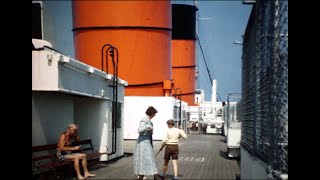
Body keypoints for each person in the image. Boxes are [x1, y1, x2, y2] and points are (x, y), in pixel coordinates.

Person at [134, 106, 158, 180]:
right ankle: (145, 175)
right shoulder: (145, 120)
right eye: (154, 113)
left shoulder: (149, 120)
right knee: (147, 159)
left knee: (146, 159)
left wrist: (150, 129)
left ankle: (142, 175)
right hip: (143, 143)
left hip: (146, 141)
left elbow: (150, 132)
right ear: (152, 113)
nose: (155, 115)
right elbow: (139, 130)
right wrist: (148, 126)